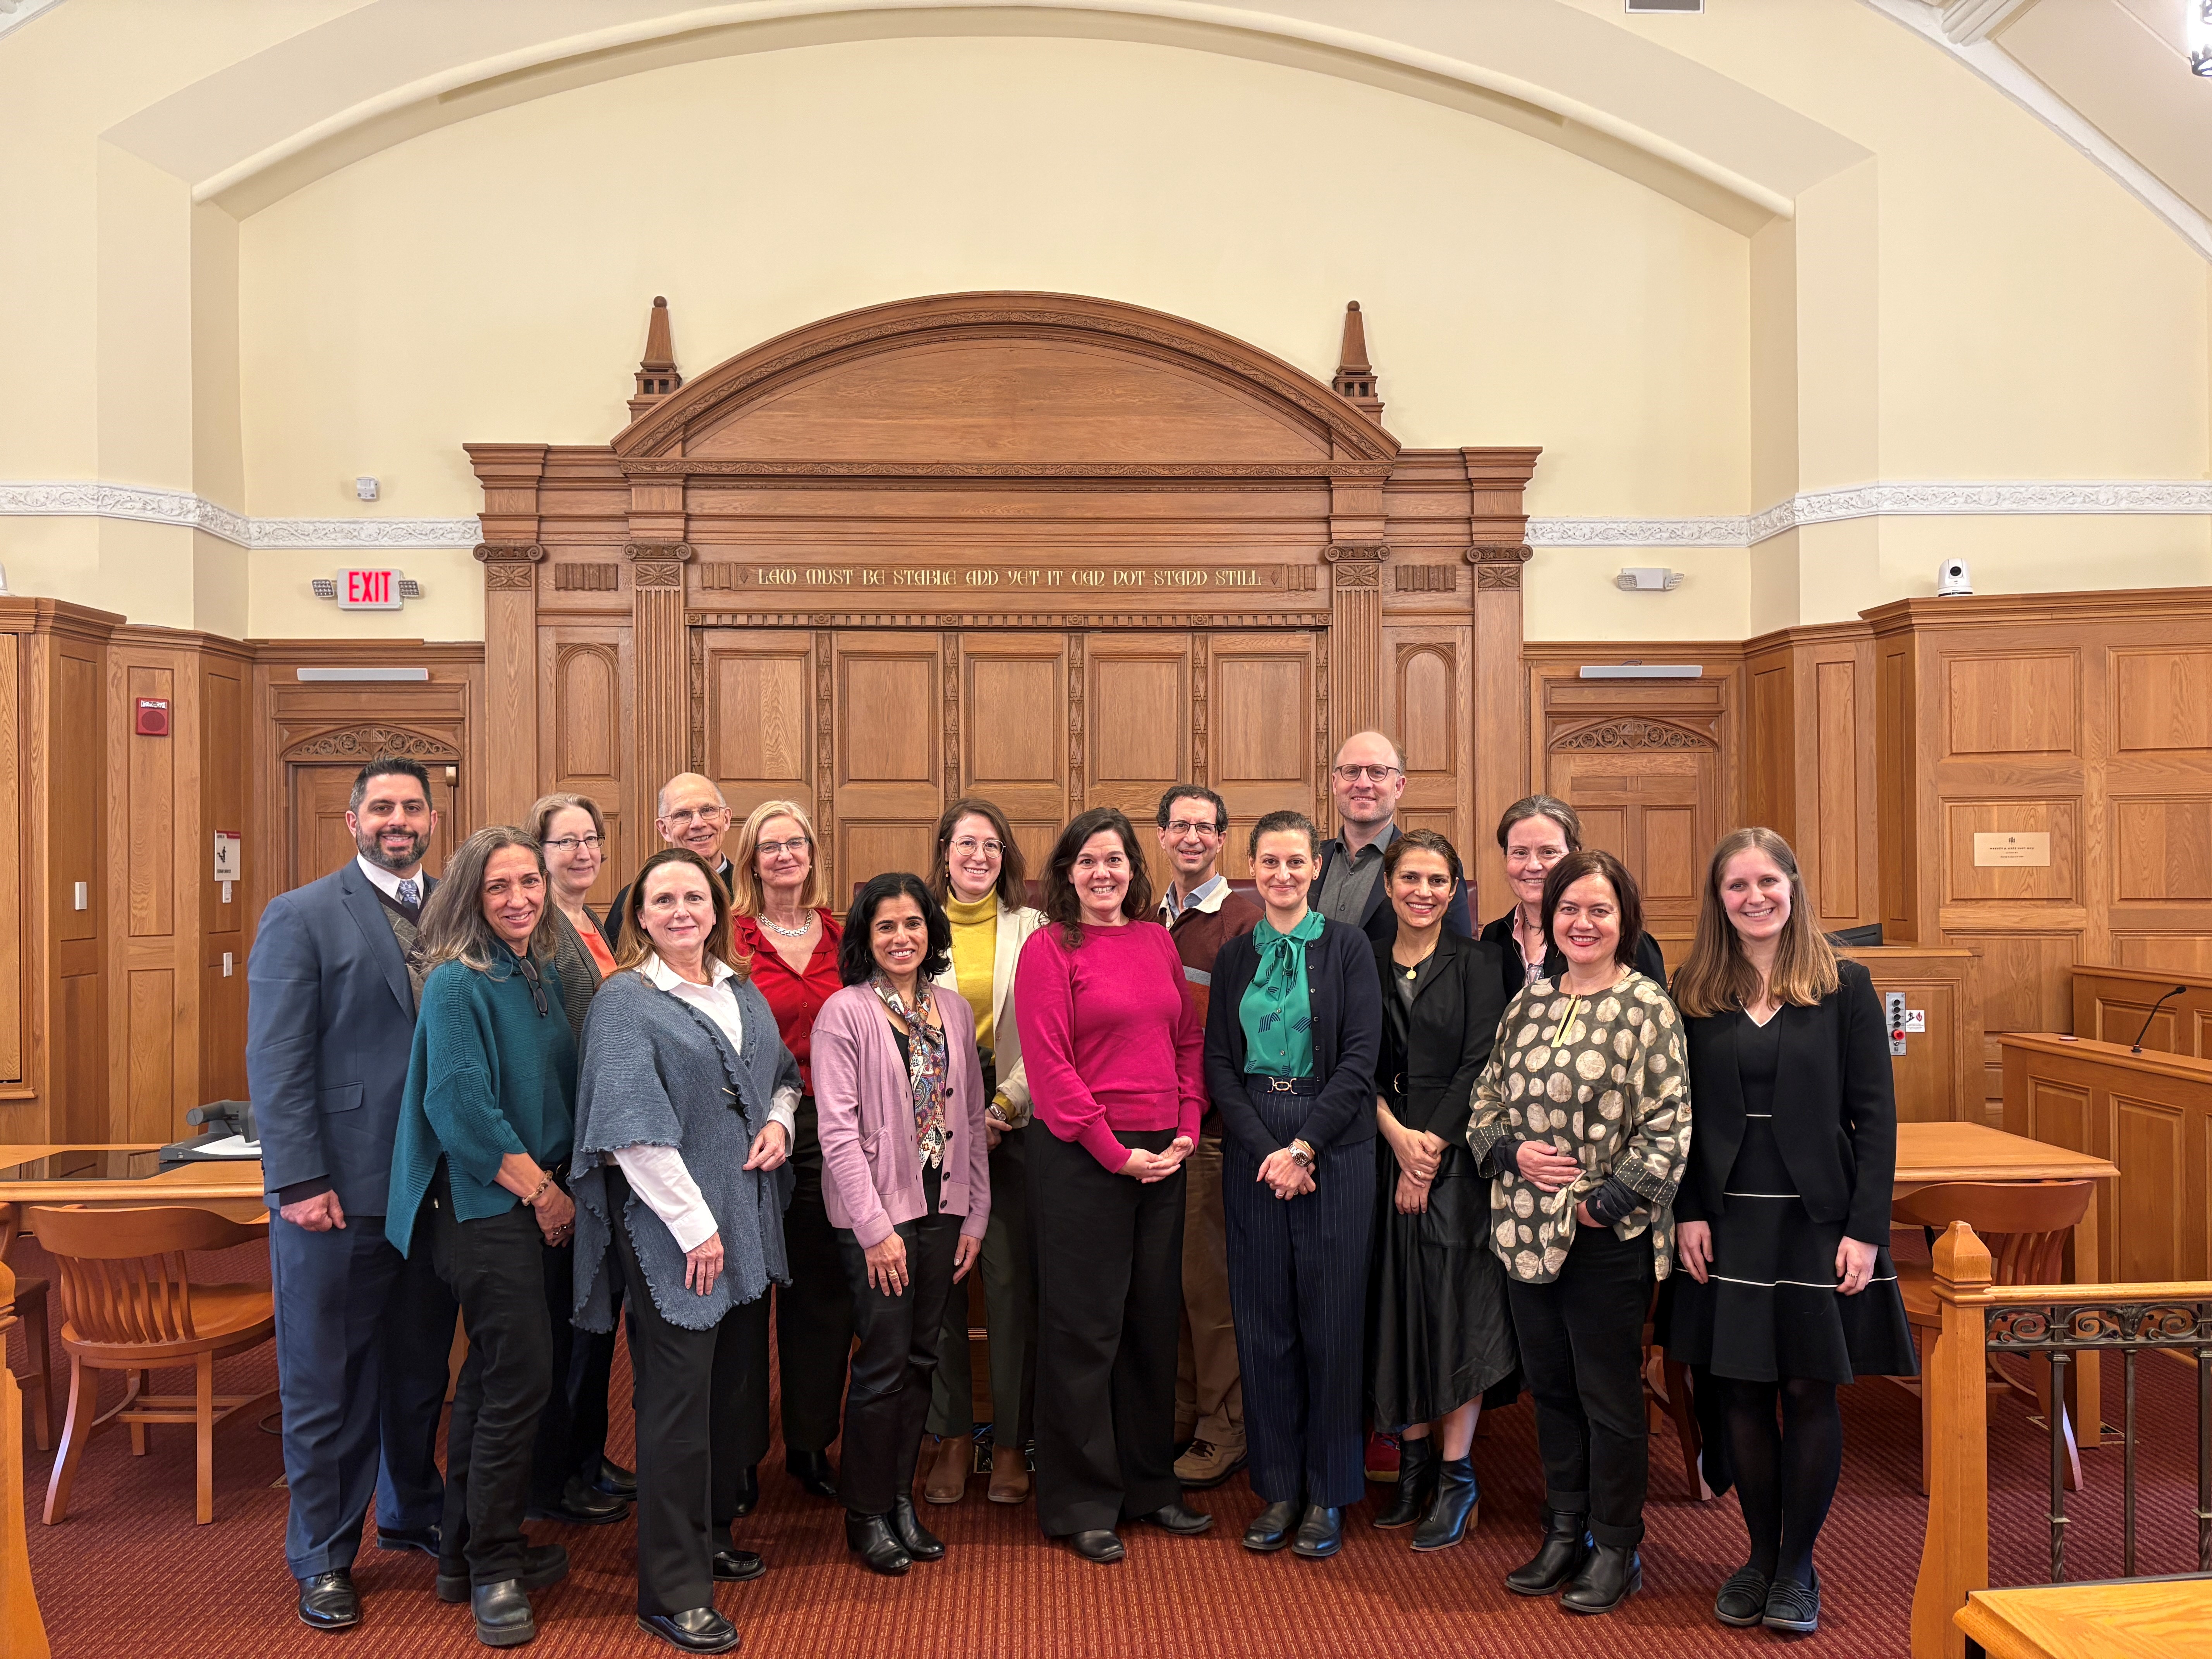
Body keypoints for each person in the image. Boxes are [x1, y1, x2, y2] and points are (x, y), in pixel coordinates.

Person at [1664, 828, 1915, 1637]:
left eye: (1767, 882)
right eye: (1737, 886)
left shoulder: (1845, 985)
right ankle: (1757, 1557)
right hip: (1729, 1219)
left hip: (1818, 1222)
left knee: (1808, 1390)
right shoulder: (1695, 987)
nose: (1754, 898)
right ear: (1719, 899)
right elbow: (1683, 1119)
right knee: (1739, 1392)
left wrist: (1866, 1230)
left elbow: (1875, 1119)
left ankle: (1798, 1566)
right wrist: (1688, 1210)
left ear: (1794, 887)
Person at [247, 756, 460, 1634]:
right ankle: (324, 1555)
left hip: (439, 1192)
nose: (398, 820)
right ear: (353, 820)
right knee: (326, 1382)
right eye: (382, 807)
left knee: (417, 1375)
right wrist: (298, 1180)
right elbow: (277, 1060)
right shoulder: (300, 917)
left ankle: (411, 1510)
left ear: (433, 819)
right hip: (336, 1196)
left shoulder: (457, 907)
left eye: (412, 806)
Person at [569, 848, 799, 1656]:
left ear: (718, 908)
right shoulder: (625, 1004)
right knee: (675, 1411)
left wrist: (780, 1124)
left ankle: (708, 1536)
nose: (679, 911)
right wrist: (696, 1225)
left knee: (730, 1401)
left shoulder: (740, 991)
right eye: (662, 899)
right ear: (638, 914)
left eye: (693, 897)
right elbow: (630, 1127)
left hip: (745, 1223)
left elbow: (782, 1078)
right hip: (679, 1236)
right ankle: (671, 1589)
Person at [1467, 848, 1690, 1616]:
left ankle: (1617, 1545)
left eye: (1599, 910)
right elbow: (1485, 1100)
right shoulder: (1528, 1004)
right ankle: (1563, 1530)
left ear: (1624, 920)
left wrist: (1607, 1203)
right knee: (1552, 1391)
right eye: (1570, 909)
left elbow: (1670, 1124)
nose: (1583, 923)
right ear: (1550, 918)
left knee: (1608, 1396)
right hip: (1525, 1233)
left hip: (1606, 1236)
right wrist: (1510, 1150)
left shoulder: (1646, 1006)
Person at [383, 827, 580, 1647]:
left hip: (525, 1195)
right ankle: (496, 1567)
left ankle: (462, 1551)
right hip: (480, 1202)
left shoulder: (535, 966)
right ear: (471, 894)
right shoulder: (456, 983)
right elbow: (459, 1110)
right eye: (500, 887)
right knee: (520, 1379)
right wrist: (540, 1191)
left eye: (529, 883)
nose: (519, 899)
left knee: (501, 1379)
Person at [1015, 806, 1213, 1564]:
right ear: (1068, 872)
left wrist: (1189, 1122)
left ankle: (1148, 1485)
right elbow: (1051, 1067)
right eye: (1089, 861)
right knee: (1083, 1331)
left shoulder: (1156, 941)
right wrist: (1110, 1149)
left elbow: (1186, 1041)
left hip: (1163, 1152)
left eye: (1117, 861)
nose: (1105, 873)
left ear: (1135, 871)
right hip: (1081, 1158)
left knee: (1150, 1325)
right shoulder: (1049, 949)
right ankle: (1081, 1500)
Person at [1204, 809, 1382, 1563]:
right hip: (1253, 1147)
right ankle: (1279, 1485)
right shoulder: (1236, 956)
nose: (1282, 876)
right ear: (1254, 869)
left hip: (1335, 1148)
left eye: (1295, 864)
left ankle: (1330, 1490)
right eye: (1269, 864)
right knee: (1264, 1322)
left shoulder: (1347, 948)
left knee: (1331, 1326)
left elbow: (1360, 1059)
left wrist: (1304, 1146)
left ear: (1316, 869)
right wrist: (1267, 1149)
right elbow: (1217, 1062)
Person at [812, 873, 991, 1574]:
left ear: (930, 931)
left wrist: (976, 1211)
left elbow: (971, 1120)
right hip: (879, 1215)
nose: (901, 937)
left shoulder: (948, 1007)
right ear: (865, 937)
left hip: (944, 1209)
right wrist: (874, 1227)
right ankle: (865, 1510)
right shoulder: (844, 1013)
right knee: (884, 1362)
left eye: (913, 923)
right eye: (885, 926)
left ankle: (899, 1496)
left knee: (922, 1359)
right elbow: (836, 1132)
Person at [1366, 829, 1516, 1552]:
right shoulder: (1359, 957)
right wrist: (1396, 1139)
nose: (1422, 891)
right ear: (1389, 883)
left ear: (1453, 889)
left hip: (1455, 1158)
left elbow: (1484, 1063)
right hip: (1378, 1148)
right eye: (1410, 878)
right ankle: (1413, 1467)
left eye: (1437, 880)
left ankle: (1456, 1476)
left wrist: (1425, 1154)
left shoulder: (1480, 962)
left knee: (1455, 1312)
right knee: (1398, 1311)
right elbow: (1350, 1059)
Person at [919, 798, 1048, 1506]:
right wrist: (948, 1117)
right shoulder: (912, 922)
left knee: (1007, 1286)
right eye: (966, 842)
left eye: (992, 844)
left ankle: (1007, 1439)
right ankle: (952, 1434)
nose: (978, 855)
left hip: (1012, 1126)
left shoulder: (1032, 929)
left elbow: (1044, 1034)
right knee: (939, 1284)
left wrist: (1001, 1107)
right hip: (928, 1134)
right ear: (943, 849)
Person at [726, 799, 852, 1505]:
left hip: (829, 1130)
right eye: (768, 845)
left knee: (819, 1293)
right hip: (748, 1130)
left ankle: (809, 1443)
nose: (783, 855)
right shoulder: (732, 936)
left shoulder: (842, 933)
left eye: (794, 843)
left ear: (811, 853)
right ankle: (742, 1454)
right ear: (751, 860)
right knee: (747, 1296)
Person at [524, 792, 632, 1529]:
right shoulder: (538, 928)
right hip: (561, 1149)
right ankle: (556, 1475)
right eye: (566, 841)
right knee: (566, 1325)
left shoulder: (593, 922)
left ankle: (589, 1456)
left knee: (596, 1317)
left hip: (598, 1144)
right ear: (539, 852)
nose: (582, 852)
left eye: (590, 838)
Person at [1154, 784, 1261, 1492]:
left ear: (1222, 839)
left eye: (1206, 827)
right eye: (1180, 825)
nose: (1192, 836)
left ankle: (1226, 1425)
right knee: (1172, 1287)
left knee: (1209, 1290)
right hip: (1152, 1132)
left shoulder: (1243, 917)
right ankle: (1186, 1410)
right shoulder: (1147, 918)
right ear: (1160, 835)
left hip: (1213, 1130)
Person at [1479, 795, 1667, 999]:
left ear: (1574, 854)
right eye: (1520, 853)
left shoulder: (1625, 942)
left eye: (1548, 852)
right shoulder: (1494, 938)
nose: (1533, 866)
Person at [1310, 731, 1470, 950]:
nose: (1363, 783)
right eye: (1352, 771)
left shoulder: (1434, 866)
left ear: (1399, 787)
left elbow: (1457, 956)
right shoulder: (1307, 861)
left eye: (1378, 772)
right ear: (1335, 783)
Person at [606, 773, 738, 943]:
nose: (698, 824)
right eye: (683, 815)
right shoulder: (635, 897)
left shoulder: (753, 889)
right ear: (664, 829)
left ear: (726, 819)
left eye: (708, 810)